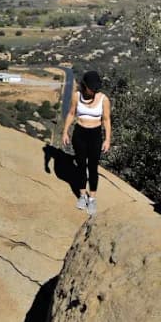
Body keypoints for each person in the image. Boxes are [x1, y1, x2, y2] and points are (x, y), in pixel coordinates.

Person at [61, 70, 111, 216]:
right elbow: (71, 113)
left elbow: (107, 120)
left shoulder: (103, 99)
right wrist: (65, 132)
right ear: (85, 86)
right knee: (81, 165)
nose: (94, 90)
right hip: (80, 133)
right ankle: (82, 196)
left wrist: (107, 139)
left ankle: (93, 198)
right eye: (92, 87)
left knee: (93, 167)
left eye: (96, 87)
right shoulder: (77, 96)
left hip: (95, 135)